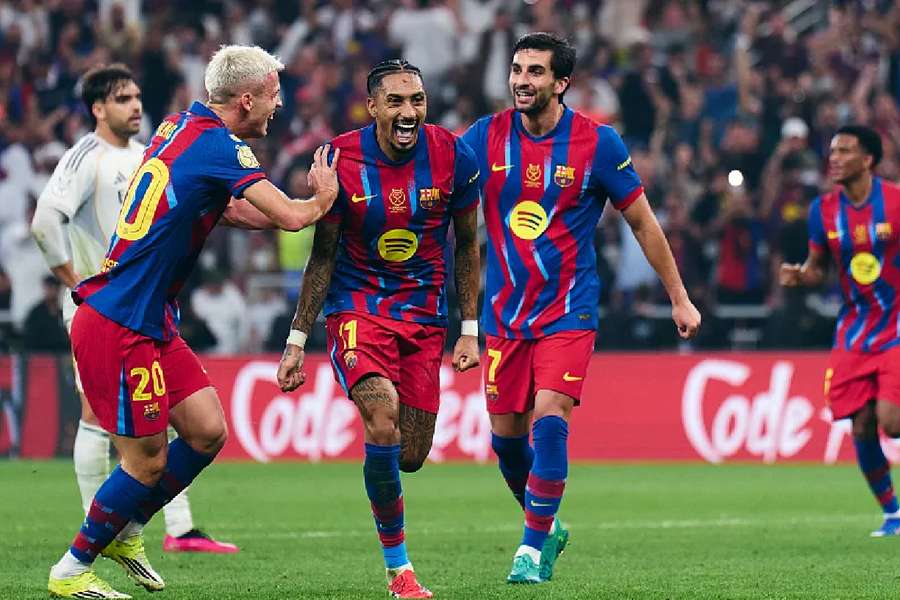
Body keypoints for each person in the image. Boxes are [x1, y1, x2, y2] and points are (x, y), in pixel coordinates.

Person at [46, 45, 340, 599]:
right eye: (273, 95)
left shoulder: (178, 126)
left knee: (206, 431)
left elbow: (226, 208)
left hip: (150, 318)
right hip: (119, 321)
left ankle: (126, 529)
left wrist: (292, 211)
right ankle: (72, 567)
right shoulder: (222, 147)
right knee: (145, 462)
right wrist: (323, 198)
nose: (278, 106)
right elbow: (292, 216)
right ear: (246, 99)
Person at [462, 33, 701, 584]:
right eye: (517, 70)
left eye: (535, 72)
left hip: (569, 310)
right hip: (505, 314)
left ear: (561, 82)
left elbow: (642, 222)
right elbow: (434, 180)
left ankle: (530, 549)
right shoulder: (484, 137)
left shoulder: (598, 143)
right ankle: (548, 525)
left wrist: (679, 297)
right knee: (506, 442)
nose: (522, 80)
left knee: (550, 419)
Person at [276, 59, 481, 599]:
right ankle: (399, 570)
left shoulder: (454, 156)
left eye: (417, 100)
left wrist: (469, 327)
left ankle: (382, 456)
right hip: (357, 308)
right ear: (372, 107)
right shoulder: (340, 160)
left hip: (423, 315)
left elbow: (468, 246)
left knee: (410, 455)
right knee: (382, 414)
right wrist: (296, 340)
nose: (409, 111)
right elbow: (322, 256)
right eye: (396, 101)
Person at [30, 64, 238, 569]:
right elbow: (45, 221)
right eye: (123, 98)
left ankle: (170, 527)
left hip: (145, 306)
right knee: (99, 417)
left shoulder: (149, 153)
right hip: (100, 305)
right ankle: (97, 526)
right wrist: (74, 280)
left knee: (169, 418)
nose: (136, 106)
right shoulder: (86, 156)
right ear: (98, 109)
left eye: (138, 96)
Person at [781, 124, 900, 537]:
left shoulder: (895, 202)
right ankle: (893, 513)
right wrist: (801, 276)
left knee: (891, 421)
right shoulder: (824, 210)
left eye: (845, 151)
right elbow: (817, 268)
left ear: (868, 159)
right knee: (862, 424)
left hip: (896, 326)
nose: (834, 158)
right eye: (832, 151)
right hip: (853, 331)